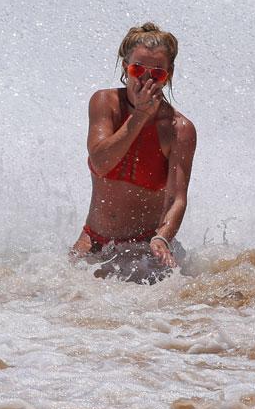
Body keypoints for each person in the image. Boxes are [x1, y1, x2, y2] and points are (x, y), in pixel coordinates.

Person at [71, 22, 197, 269]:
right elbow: (101, 162)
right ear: (124, 67)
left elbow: (176, 198)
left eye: (157, 73)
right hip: (93, 242)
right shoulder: (104, 103)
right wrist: (139, 116)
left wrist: (163, 238)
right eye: (137, 69)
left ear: (168, 74)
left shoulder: (179, 129)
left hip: (145, 249)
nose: (146, 79)